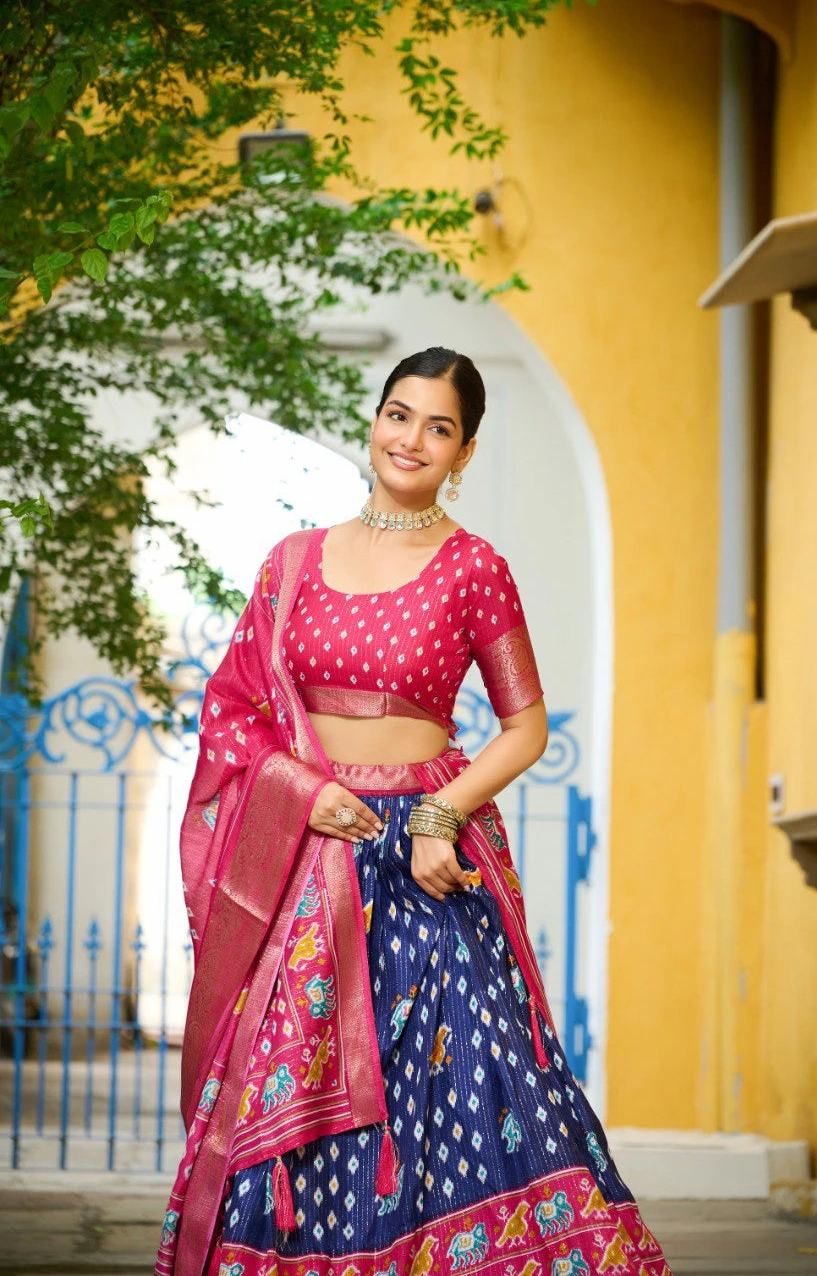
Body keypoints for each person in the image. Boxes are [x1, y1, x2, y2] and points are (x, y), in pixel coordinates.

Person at [155, 347, 673, 1276]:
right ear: (374, 421)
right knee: (291, 1095)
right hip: (310, 860)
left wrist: (439, 817)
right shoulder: (292, 563)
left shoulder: (475, 569)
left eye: (438, 427)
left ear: (462, 453)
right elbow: (233, 712)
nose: (412, 439)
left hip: (429, 867)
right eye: (400, 414)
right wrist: (308, 793)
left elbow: (524, 727)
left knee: (466, 1089)